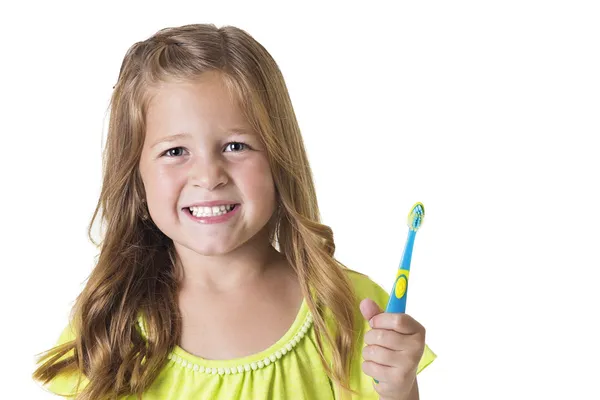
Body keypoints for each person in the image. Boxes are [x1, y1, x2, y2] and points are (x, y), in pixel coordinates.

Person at [32, 23, 436, 399]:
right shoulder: (111, 318)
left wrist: (400, 389)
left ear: (280, 158)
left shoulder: (348, 307)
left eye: (235, 146)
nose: (208, 177)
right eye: (175, 152)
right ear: (136, 177)